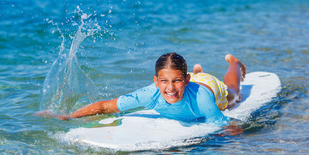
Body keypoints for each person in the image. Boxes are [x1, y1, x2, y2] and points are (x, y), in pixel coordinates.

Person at [36, 53, 246, 127]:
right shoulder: (150, 94)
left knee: (234, 95)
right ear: (155, 81)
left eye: (176, 81)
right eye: (164, 81)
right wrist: (69, 117)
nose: (169, 88)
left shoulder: (203, 101)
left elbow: (227, 127)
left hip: (209, 88)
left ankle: (234, 64)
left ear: (185, 80)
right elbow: (105, 106)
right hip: (192, 82)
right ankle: (197, 71)